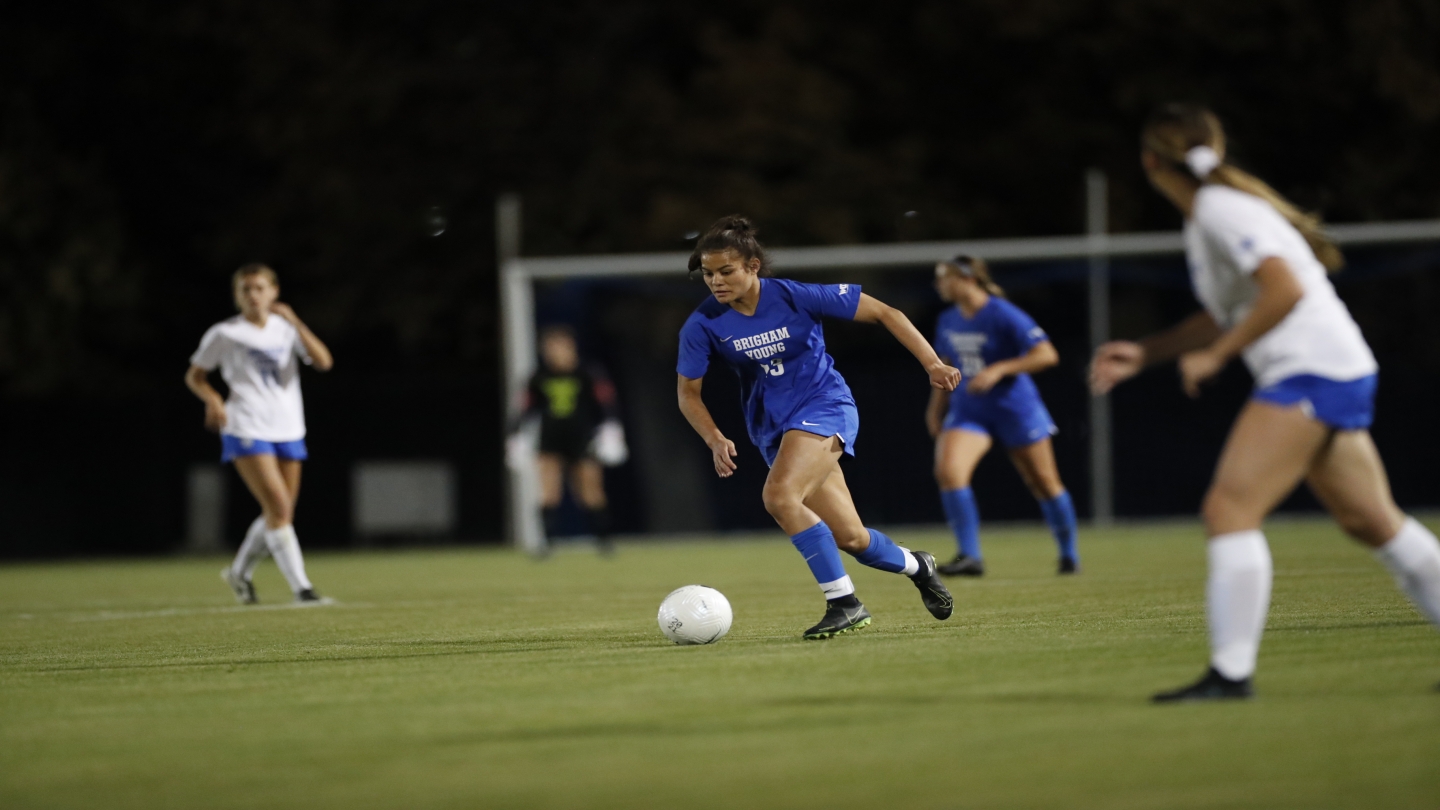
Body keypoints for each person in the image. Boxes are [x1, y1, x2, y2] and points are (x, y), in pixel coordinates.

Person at [1090, 104, 1440, 702]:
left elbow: (1284, 288)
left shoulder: (1221, 211)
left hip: (1312, 372)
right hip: (1334, 368)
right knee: (1372, 521)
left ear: (1151, 162)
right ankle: (1231, 674)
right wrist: (1148, 353)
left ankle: (1230, 674)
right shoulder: (1212, 214)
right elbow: (1229, 309)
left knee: (1228, 509)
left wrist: (1220, 355)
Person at [676, 215, 960, 640]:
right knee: (852, 538)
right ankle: (920, 566)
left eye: (725, 271)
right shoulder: (703, 324)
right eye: (708, 273)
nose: (715, 281)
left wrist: (933, 363)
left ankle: (844, 603)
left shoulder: (794, 296)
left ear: (753, 266)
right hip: (773, 429)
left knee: (779, 495)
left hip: (825, 406)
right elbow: (688, 394)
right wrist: (714, 437)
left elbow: (886, 312)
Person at [185, 263, 334, 605]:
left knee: (279, 514)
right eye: (246, 289)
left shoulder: (285, 329)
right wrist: (213, 398)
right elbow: (195, 375)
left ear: (274, 292)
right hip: (246, 425)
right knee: (279, 507)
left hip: (288, 426)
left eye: (259, 288)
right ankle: (303, 590)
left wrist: (295, 322)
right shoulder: (225, 333)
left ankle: (238, 573)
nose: (253, 295)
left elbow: (324, 362)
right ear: (237, 296)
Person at [927, 255, 1079, 577]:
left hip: (1016, 409)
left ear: (967, 278)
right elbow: (944, 364)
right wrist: (935, 409)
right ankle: (970, 556)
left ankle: (1069, 556)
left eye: (945, 277)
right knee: (949, 471)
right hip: (971, 411)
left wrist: (1000, 369)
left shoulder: (1003, 313)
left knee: (1044, 484)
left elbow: (1047, 355)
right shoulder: (948, 320)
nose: (939, 284)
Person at [512, 325, 626, 553]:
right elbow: (525, 408)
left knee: (590, 491)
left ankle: (604, 541)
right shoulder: (539, 376)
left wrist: (611, 429)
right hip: (550, 439)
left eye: (559, 346)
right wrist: (515, 435)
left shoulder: (588, 373)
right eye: (550, 348)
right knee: (548, 492)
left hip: (581, 438)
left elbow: (606, 403)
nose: (554, 352)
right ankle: (548, 543)